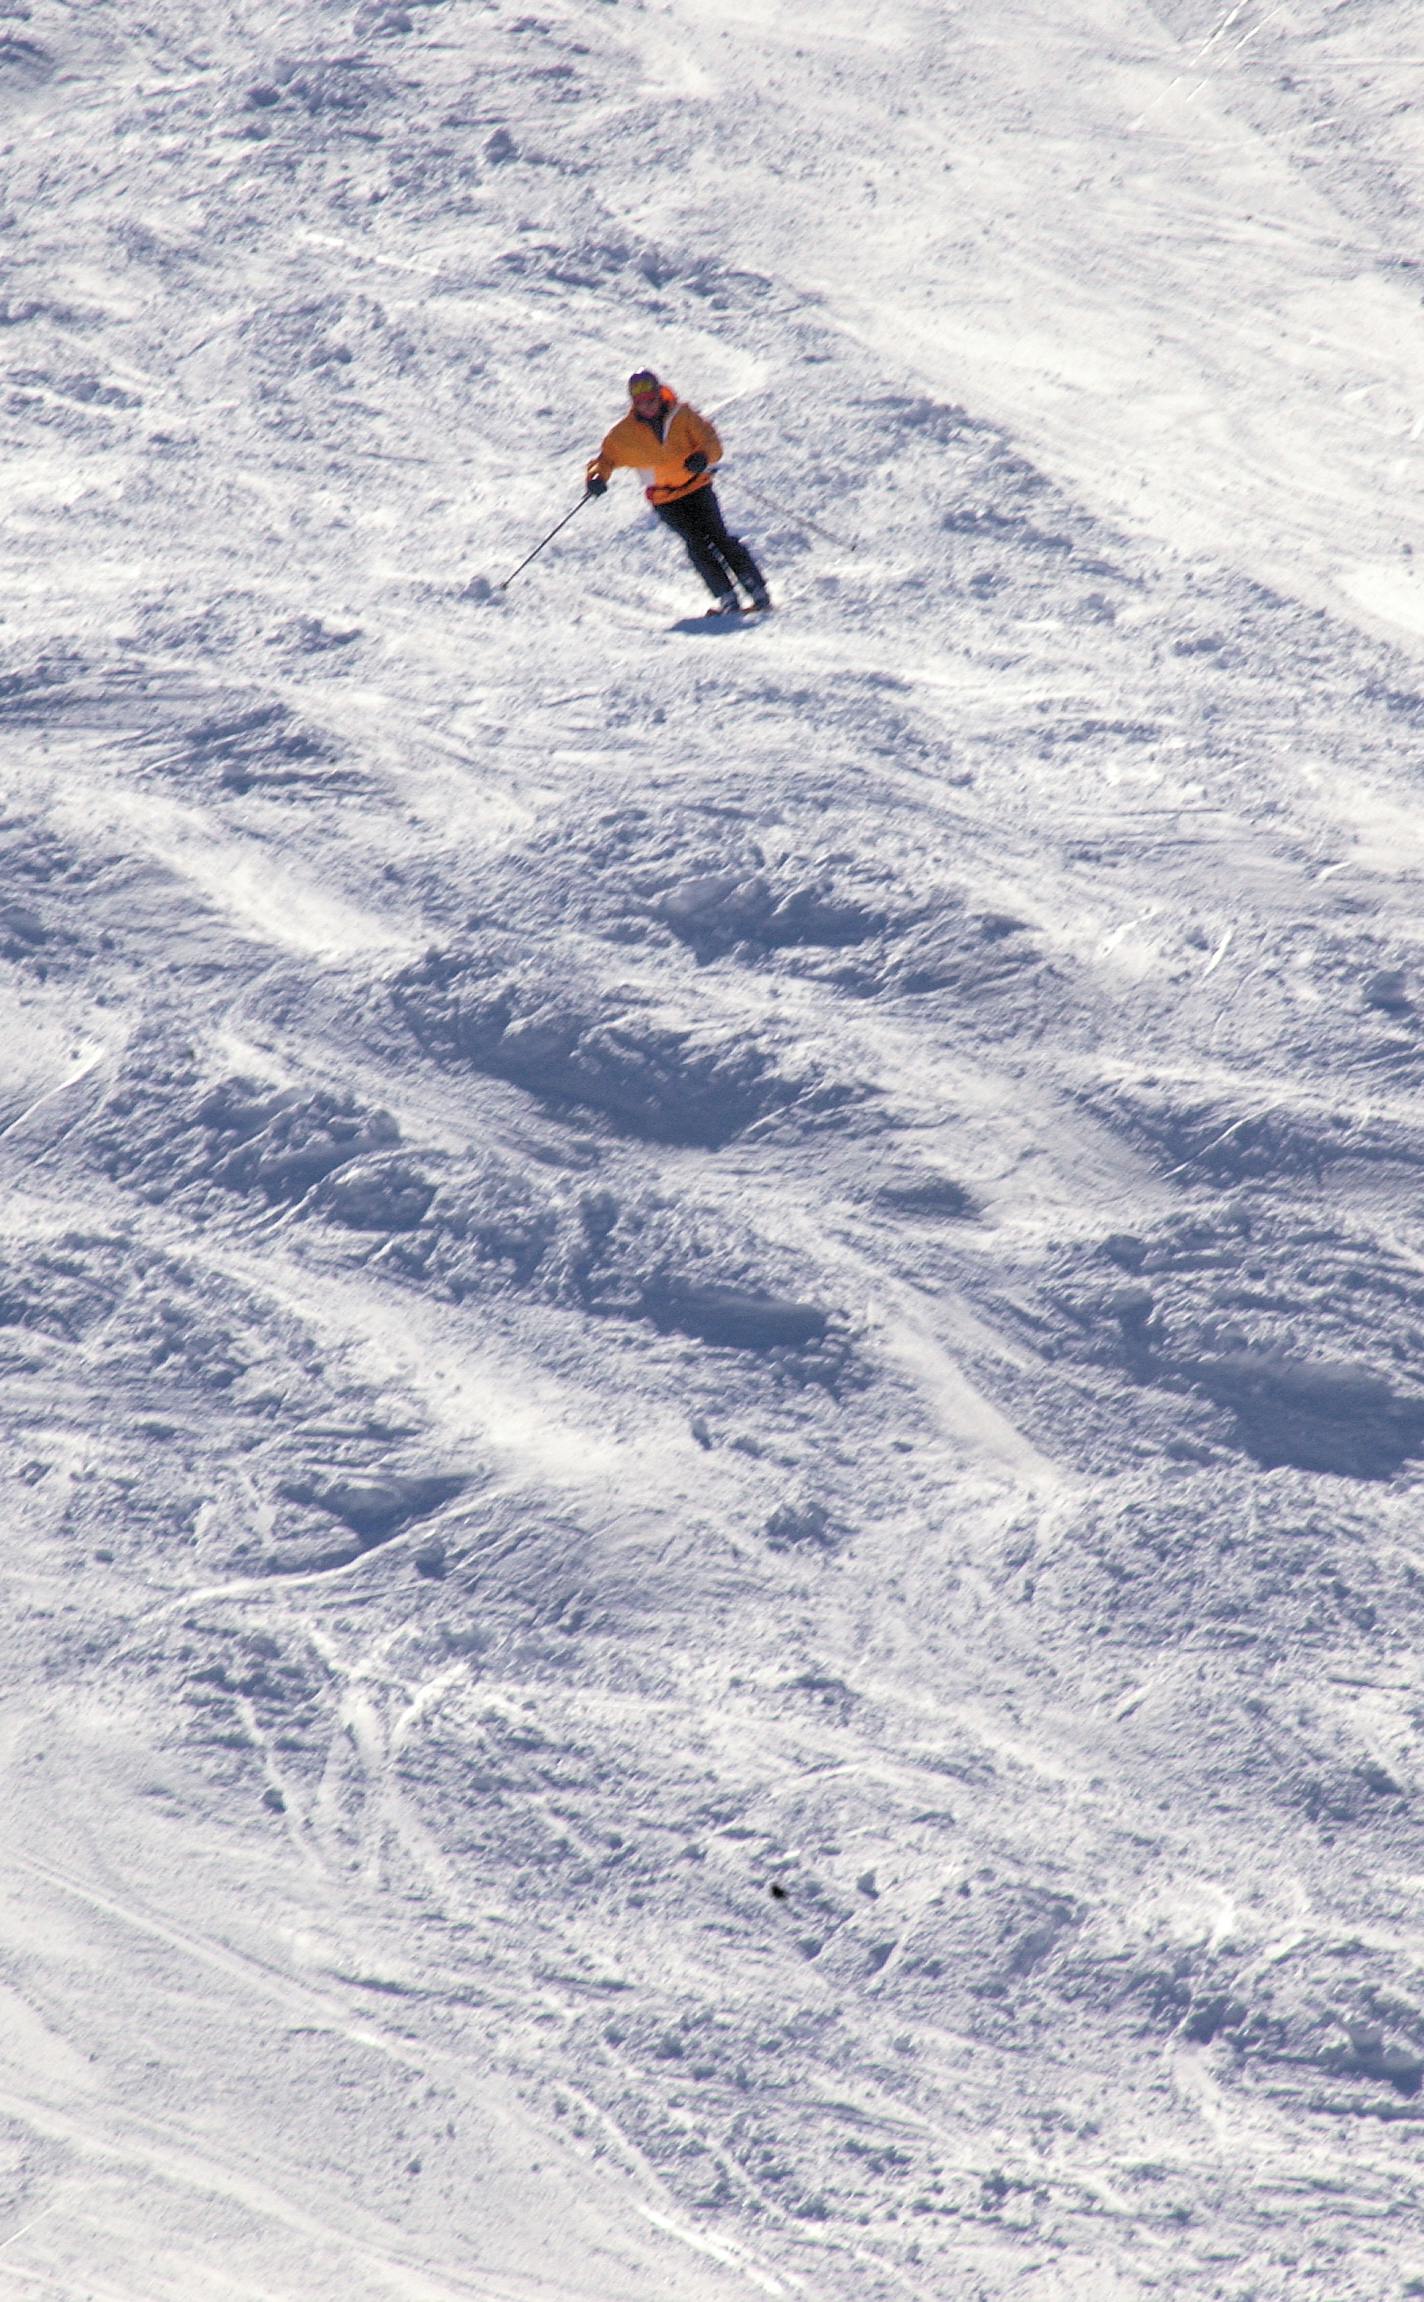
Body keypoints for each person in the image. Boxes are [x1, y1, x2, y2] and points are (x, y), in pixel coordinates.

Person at [584, 370, 771, 617]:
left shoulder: (682, 416)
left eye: (651, 400)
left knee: (718, 536)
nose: (648, 407)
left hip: (697, 487)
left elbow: (711, 443)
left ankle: (756, 590)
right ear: (634, 404)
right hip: (665, 499)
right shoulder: (625, 434)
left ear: (660, 396)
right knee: (696, 543)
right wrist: (596, 477)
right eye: (641, 403)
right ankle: (727, 598)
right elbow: (605, 459)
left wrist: (702, 457)